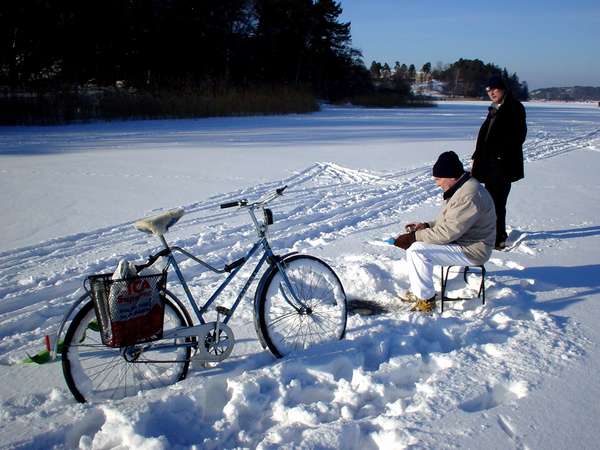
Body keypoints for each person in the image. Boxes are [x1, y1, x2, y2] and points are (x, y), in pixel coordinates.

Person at [392, 151, 496, 313]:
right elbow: (451, 222)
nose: (437, 183)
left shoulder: (469, 195)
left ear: (451, 176)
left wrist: (413, 237)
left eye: (438, 179)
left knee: (417, 251)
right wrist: (426, 226)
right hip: (462, 242)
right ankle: (421, 292)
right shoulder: (462, 188)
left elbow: (447, 233)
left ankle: (425, 299)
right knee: (417, 247)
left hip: (473, 250)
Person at [471, 76, 527, 250]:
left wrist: (499, 155)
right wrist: (476, 157)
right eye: (488, 90)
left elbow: (518, 136)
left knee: (496, 203)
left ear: (503, 89)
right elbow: (486, 137)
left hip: (502, 166)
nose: (491, 92)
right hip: (489, 165)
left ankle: (498, 238)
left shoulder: (515, 108)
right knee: (490, 203)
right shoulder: (495, 109)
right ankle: (492, 235)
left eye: (495, 89)